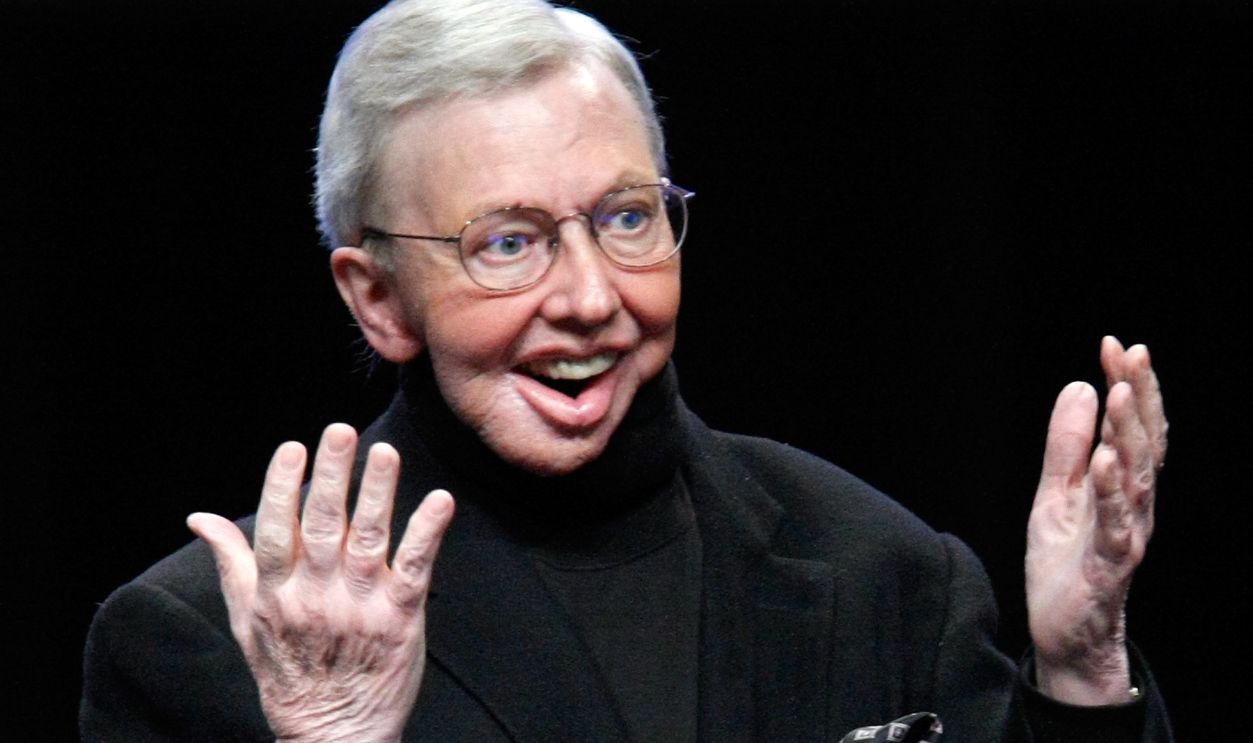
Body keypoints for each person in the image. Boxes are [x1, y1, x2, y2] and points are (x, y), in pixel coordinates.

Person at [80, 1, 1172, 741]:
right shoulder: (200, 640)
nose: (593, 296)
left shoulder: (886, 570)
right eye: (506, 241)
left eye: (625, 217)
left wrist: (1082, 669)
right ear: (376, 297)